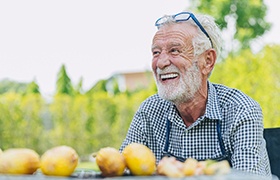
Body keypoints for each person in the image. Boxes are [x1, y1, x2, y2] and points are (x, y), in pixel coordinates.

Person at [120, 11, 271, 177]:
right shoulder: (149, 111)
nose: (161, 63)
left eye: (175, 50)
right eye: (156, 52)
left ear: (207, 61)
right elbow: (121, 170)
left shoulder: (241, 111)